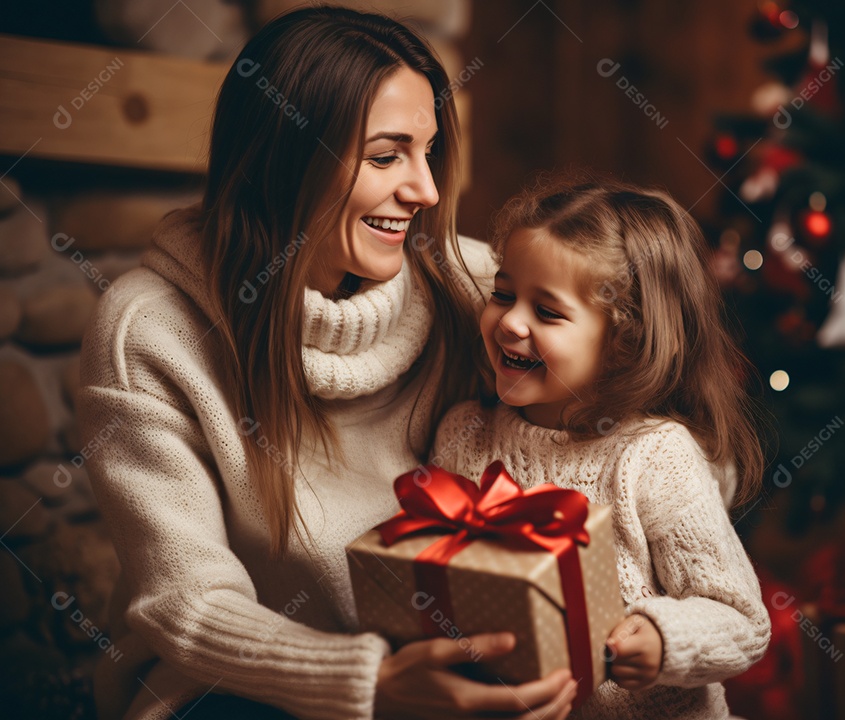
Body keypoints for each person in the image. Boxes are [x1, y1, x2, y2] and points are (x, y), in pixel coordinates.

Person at [76, 8, 578, 720]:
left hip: (444, 661)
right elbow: (187, 603)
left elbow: (617, 410)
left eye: (427, 152)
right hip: (239, 688)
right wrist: (369, 682)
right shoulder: (148, 328)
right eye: (385, 156)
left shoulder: (473, 285)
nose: (425, 191)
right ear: (286, 159)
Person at [431, 175, 772, 719]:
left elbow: (742, 620)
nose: (510, 322)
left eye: (547, 312)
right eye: (502, 294)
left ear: (623, 343)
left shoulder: (654, 457)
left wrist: (666, 640)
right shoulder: (463, 435)